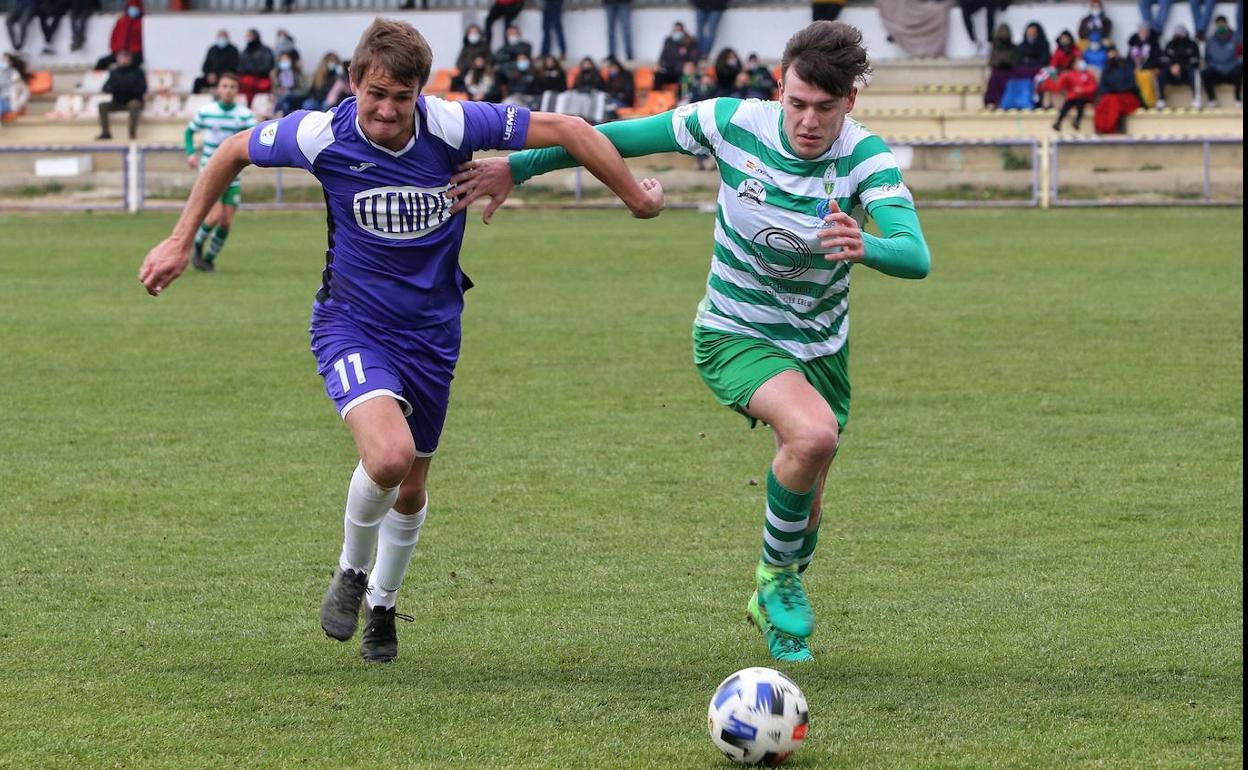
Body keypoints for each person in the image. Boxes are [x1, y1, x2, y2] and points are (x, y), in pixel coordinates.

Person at [137, 18, 663, 663]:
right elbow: (231, 151)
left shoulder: (453, 125)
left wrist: (635, 197)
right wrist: (179, 238)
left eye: (402, 97)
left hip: (434, 334)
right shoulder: (320, 133)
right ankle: (351, 573)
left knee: (411, 488)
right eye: (375, 93)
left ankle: (383, 606)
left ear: (422, 92)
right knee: (388, 457)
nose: (387, 110)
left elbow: (572, 130)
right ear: (353, 82)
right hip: (351, 323)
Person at [451, 19, 930, 663]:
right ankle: (775, 581)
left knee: (807, 505)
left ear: (851, 102)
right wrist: (518, 166)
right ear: (777, 89)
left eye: (824, 108)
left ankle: (776, 585)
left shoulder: (866, 158)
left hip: (821, 351)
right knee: (813, 436)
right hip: (735, 332)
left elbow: (915, 253)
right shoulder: (730, 122)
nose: (807, 121)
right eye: (796, 103)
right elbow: (608, 137)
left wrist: (866, 244)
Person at [184, 73, 258, 272]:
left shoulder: (244, 115)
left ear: (237, 90)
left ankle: (208, 259)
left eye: (232, 87)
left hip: (233, 174)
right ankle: (198, 247)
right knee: (214, 215)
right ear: (218, 89)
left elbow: (253, 137)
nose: (228, 90)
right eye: (224, 86)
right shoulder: (207, 112)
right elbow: (190, 131)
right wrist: (191, 153)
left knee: (226, 221)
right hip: (210, 170)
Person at [96, 48, 145, 140]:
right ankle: (106, 133)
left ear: (130, 58)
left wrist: (122, 88)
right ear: (118, 59)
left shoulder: (138, 72)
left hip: (133, 100)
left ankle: (132, 134)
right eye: (122, 57)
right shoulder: (114, 72)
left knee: (134, 104)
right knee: (102, 106)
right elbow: (106, 87)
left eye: (126, 57)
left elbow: (142, 88)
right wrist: (121, 88)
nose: (124, 59)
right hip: (118, 102)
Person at [1094, 43, 1142, 131]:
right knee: (1103, 104)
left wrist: (1119, 89)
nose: (1111, 55)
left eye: (1113, 53)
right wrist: (1111, 90)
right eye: (1109, 53)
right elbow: (1102, 86)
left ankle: (1113, 127)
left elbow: (1132, 84)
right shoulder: (1106, 69)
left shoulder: (1126, 66)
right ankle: (1102, 127)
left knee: (1114, 102)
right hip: (1110, 95)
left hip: (1126, 96)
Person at [1201, 15, 1242, 105]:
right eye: (1218, 25)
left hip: (1231, 70)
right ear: (1215, 26)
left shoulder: (1236, 38)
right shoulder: (1210, 40)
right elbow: (1207, 58)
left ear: (1227, 24)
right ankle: (1212, 100)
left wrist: (1230, 66)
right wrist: (1217, 67)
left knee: (1239, 70)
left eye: (1222, 24)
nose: (1221, 27)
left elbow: (1240, 56)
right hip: (1217, 71)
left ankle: (1237, 98)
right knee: (1205, 73)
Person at [1158, 24, 1200, 107]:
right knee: (1161, 73)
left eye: (1180, 33)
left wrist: (1180, 66)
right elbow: (1164, 60)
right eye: (1176, 33)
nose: (1178, 35)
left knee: (1195, 73)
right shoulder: (1170, 44)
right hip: (1172, 74)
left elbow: (1195, 61)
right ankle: (1161, 99)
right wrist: (1171, 67)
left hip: (1186, 75)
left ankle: (1196, 99)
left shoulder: (1192, 44)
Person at [1051, 58, 1098, 130]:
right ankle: (1058, 122)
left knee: (1080, 104)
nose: (1080, 65)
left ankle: (1077, 122)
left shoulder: (1088, 74)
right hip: (1072, 96)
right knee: (1066, 106)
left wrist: (1083, 90)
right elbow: (1059, 86)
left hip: (1084, 96)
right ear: (1073, 65)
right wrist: (1058, 77)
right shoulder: (1068, 74)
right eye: (1078, 63)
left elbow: (1092, 87)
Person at [96, 0, 142, 69]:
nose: (133, 9)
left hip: (135, 53)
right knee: (101, 62)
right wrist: (117, 52)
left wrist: (129, 54)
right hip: (119, 52)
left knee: (131, 65)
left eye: (135, 7)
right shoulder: (121, 21)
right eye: (131, 7)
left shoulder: (142, 22)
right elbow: (114, 37)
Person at [654, 21, 700, 90]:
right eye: (675, 30)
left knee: (685, 79)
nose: (677, 32)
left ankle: (682, 98)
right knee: (658, 76)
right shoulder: (668, 41)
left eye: (679, 30)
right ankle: (657, 97)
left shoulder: (690, 41)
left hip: (681, 72)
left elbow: (694, 56)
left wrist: (690, 64)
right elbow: (663, 56)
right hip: (669, 70)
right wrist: (660, 65)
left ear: (683, 31)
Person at [194, 30, 240, 95]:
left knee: (227, 83)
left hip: (225, 77)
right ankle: (196, 101)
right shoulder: (212, 49)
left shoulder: (233, 50)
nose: (221, 39)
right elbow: (205, 66)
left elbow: (234, 67)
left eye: (223, 37)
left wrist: (219, 75)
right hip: (211, 77)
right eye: (220, 36)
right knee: (198, 81)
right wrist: (208, 74)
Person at [1128, 22, 1163, 105]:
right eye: (1141, 31)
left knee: (1146, 76)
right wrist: (1133, 67)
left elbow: (1157, 60)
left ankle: (1148, 102)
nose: (1143, 33)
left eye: (1145, 31)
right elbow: (1129, 59)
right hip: (1136, 69)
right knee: (1131, 76)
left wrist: (1144, 67)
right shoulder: (1134, 43)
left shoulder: (1153, 43)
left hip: (1149, 68)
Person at [983, 23, 1017, 107]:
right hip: (997, 70)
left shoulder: (1013, 47)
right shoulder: (994, 47)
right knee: (994, 77)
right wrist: (999, 63)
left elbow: (1015, 61)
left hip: (1009, 71)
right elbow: (991, 61)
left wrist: (1007, 63)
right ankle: (993, 101)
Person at [238, 28, 275, 103]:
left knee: (263, 86)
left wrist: (255, 71)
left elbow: (268, 65)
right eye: (248, 36)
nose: (249, 38)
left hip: (262, 77)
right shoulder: (245, 51)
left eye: (251, 36)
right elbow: (240, 66)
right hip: (248, 77)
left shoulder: (265, 50)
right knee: (245, 82)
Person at [452, 24, 491, 92]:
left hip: (481, 75)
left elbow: (491, 61)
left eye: (475, 33)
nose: (473, 35)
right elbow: (459, 63)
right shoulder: (465, 48)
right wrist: (472, 64)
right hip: (466, 75)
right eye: (471, 33)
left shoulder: (485, 47)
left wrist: (482, 63)